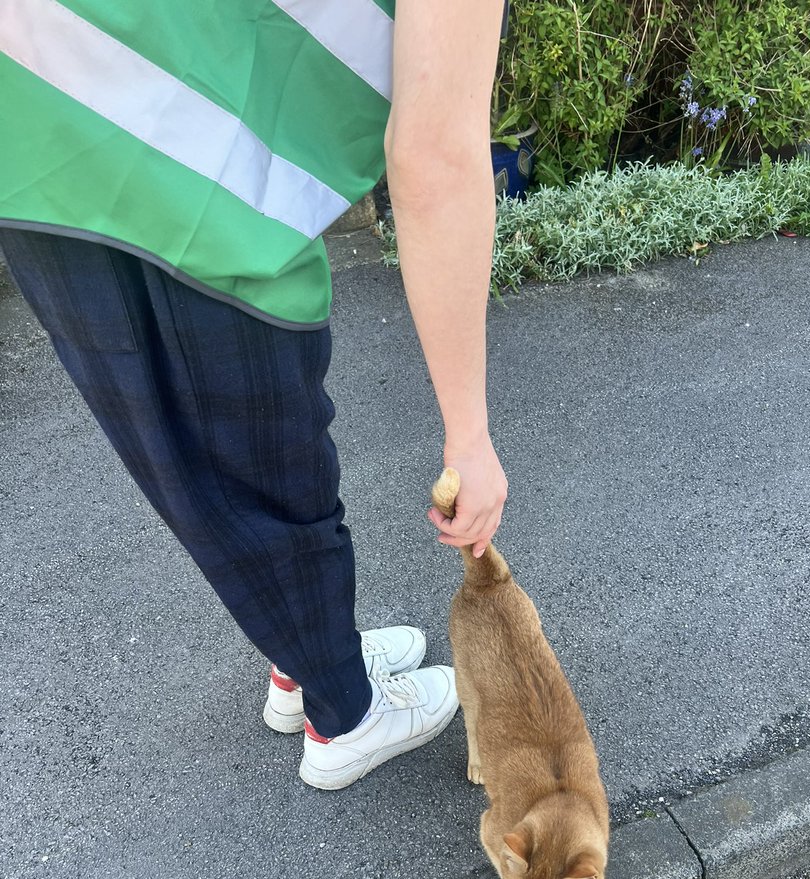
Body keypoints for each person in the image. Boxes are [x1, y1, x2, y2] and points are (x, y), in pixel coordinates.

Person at [0, 1, 509, 789]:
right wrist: (468, 440)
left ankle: (305, 662)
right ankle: (343, 717)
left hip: (39, 128)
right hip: (184, 152)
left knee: (201, 452)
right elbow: (435, 160)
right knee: (275, 449)